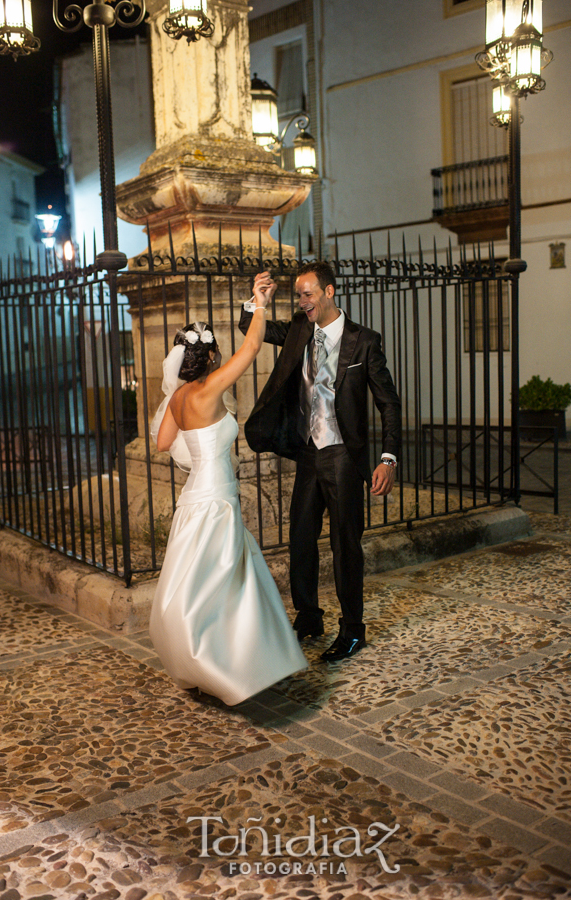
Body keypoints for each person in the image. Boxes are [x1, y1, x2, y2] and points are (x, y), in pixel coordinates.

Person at [148, 286, 308, 706]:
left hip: (193, 496)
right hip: (217, 498)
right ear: (213, 357)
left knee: (198, 583)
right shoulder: (210, 389)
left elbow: (164, 444)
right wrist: (258, 303)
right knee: (223, 583)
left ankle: (204, 662)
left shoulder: (177, 399)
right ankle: (228, 665)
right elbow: (253, 345)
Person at [239, 261, 402, 662]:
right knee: (300, 537)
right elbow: (252, 330)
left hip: (344, 453)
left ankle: (352, 629)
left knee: (345, 542)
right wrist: (255, 302)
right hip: (310, 451)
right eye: (298, 295)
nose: (302, 302)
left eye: (308, 294)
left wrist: (388, 459)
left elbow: (389, 404)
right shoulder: (298, 329)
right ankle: (309, 615)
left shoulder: (364, 341)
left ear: (329, 292)